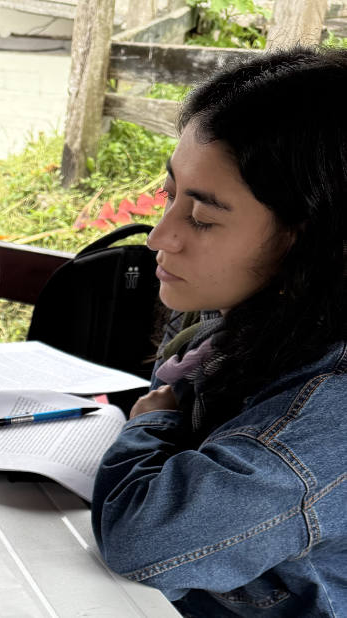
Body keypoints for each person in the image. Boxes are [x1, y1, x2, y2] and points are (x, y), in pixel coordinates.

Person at [91, 48, 347, 616]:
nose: (159, 236)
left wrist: (151, 425)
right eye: (169, 195)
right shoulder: (252, 315)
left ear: (303, 240)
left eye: (202, 217)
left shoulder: (329, 417)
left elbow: (145, 539)